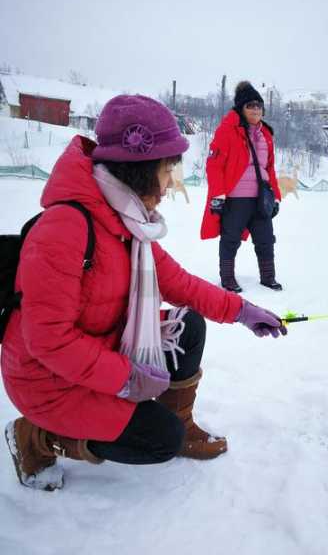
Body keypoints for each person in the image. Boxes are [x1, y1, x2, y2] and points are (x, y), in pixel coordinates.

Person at [1, 95, 287, 492]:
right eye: (167, 168)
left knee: (188, 326)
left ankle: (180, 423)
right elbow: (49, 341)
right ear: (136, 169)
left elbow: (180, 284)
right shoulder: (65, 228)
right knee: (157, 440)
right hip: (48, 382)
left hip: (103, 343)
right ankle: (34, 437)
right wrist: (125, 379)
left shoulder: (126, 220)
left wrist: (241, 310)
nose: (171, 183)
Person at [200, 81, 283, 293]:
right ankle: (227, 278)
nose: (256, 109)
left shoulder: (266, 135)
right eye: (250, 105)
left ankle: (268, 277)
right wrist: (218, 195)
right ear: (241, 108)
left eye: (258, 105)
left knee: (266, 239)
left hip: (261, 197)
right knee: (231, 239)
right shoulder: (227, 131)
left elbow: (270, 168)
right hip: (236, 198)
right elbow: (214, 165)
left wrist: (275, 197)